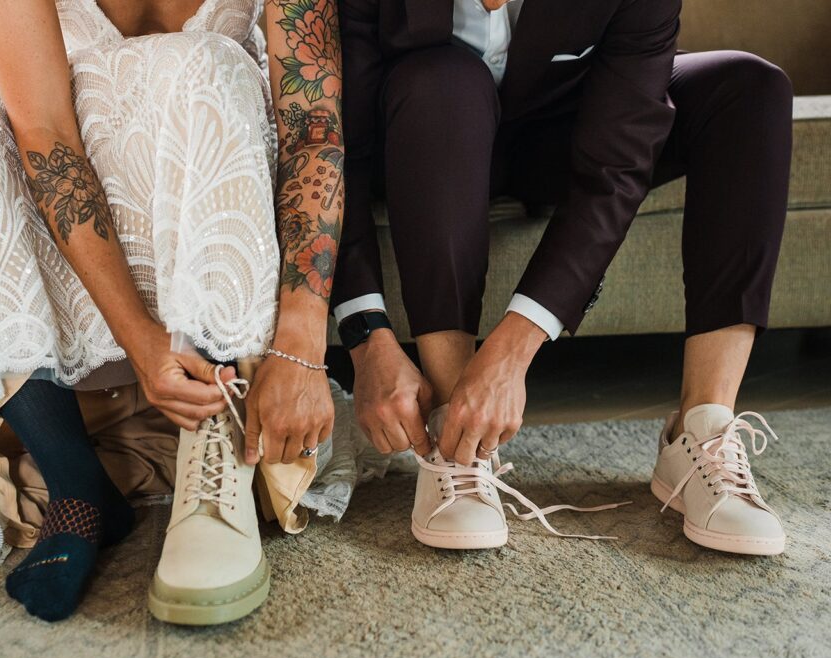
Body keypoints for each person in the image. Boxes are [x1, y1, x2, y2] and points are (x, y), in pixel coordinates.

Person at [0, 0, 344, 623]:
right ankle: (76, 487)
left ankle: (211, 454)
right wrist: (140, 341)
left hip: (207, 138)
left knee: (203, 65)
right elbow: (45, 131)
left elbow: (313, 128)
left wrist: (302, 339)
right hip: (70, 140)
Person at [333, 0, 791, 554]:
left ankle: (701, 430)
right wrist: (366, 336)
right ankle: (456, 436)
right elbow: (334, 144)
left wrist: (512, 351)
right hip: (422, 129)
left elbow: (614, 169)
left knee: (749, 88)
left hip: (559, 130)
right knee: (441, 78)